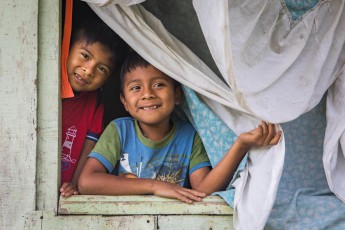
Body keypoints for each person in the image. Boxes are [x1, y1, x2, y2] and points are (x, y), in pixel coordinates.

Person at [78, 51, 281, 203]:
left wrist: (241, 145)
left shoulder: (189, 135)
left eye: (159, 84)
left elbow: (203, 189)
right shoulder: (119, 131)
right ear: (124, 102)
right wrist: (155, 186)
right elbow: (87, 182)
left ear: (177, 95)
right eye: (136, 88)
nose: (147, 94)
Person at [59, 18, 129, 197]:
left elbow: (88, 147)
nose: (89, 71)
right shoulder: (43, 90)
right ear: (67, 47)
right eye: (85, 56)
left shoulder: (95, 102)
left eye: (102, 69)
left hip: (64, 190)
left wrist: (74, 185)